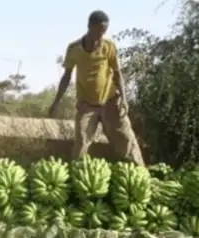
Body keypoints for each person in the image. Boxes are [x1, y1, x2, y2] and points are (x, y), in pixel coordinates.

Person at [48, 10, 145, 166]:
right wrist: (56, 102)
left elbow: (118, 73)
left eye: (104, 31)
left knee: (126, 139)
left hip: (111, 101)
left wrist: (124, 100)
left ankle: (141, 173)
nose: (101, 34)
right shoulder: (74, 49)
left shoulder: (109, 46)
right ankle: (77, 176)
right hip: (87, 105)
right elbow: (66, 76)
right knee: (81, 142)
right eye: (99, 30)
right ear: (89, 26)